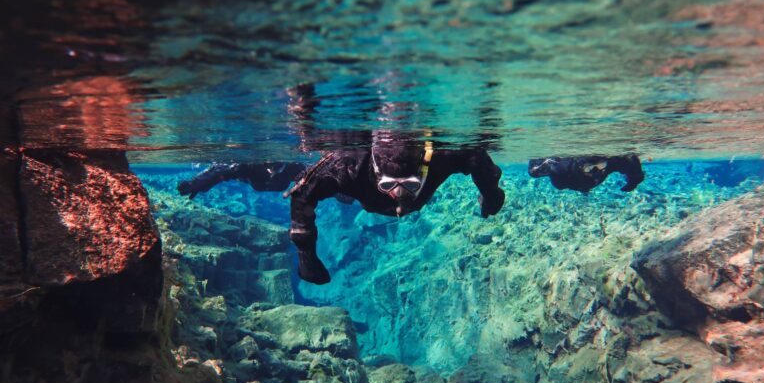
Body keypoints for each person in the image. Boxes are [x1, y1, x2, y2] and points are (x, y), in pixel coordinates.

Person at [178, 132, 505, 285]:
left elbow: (481, 162)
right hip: (354, 190)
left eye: (408, 185)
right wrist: (306, 255)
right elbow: (302, 195)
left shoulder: (445, 156)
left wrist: (491, 196)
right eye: (390, 186)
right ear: (377, 173)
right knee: (323, 185)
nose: (399, 197)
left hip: (360, 187)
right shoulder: (347, 164)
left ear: (423, 169)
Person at [527, 154, 645, 193]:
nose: (596, 171)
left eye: (600, 166)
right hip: (570, 176)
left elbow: (633, 165)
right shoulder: (561, 172)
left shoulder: (609, 164)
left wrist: (632, 183)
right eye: (589, 168)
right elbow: (533, 172)